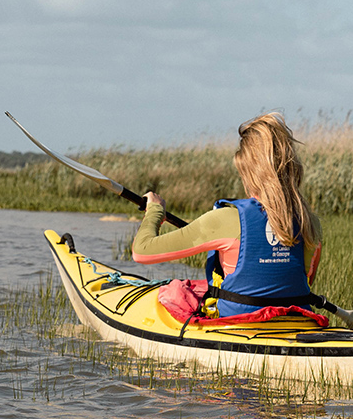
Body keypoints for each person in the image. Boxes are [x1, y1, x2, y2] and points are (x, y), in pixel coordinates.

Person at [131, 112, 322, 318]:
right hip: (295, 321)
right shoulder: (309, 222)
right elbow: (300, 282)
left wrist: (155, 211)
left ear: (247, 171)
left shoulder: (224, 220)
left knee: (178, 289)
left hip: (236, 324)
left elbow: (142, 252)